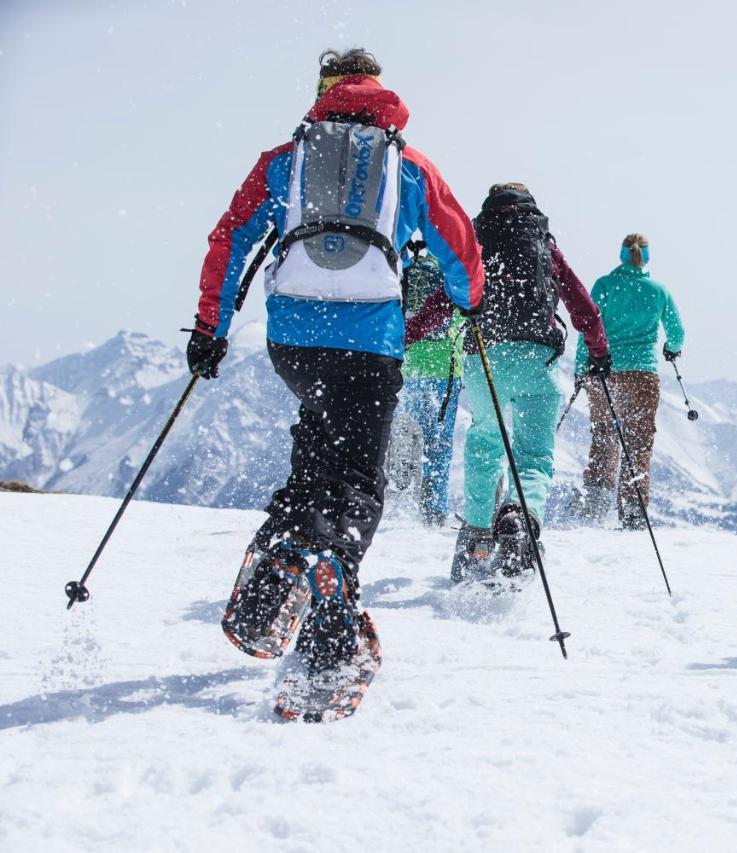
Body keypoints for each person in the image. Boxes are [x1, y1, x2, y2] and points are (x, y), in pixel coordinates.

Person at [190, 48, 483, 686]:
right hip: (373, 339)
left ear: (324, 91)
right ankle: (334, 581)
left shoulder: (286, 160)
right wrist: (471, 305)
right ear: (380, 94)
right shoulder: (406, 164)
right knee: (357, 474)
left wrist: (210, 329)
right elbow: (457, 244)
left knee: (321, 434)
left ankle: (289, 543)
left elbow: (230, 237)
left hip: (295, 340)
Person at [450, 183, 610, 581]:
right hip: (537, 360)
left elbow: (444, 296)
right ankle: (520, 518)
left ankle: (476, 534)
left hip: (485, 357)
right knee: (534, 456)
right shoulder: (545, 248)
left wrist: (407, 332)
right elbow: (582, 305)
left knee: (486, 442)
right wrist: (600, 351)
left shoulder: (477, 246)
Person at [573, 233, 685, 529]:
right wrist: (671, 349)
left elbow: (588, 327)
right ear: (646, 257)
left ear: (621, 255)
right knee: (639, 443)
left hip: (604, 372)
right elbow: (677, 333)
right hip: (644, 375)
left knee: (604, 437)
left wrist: (579, 369)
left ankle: (594, 508)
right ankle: (633, 511)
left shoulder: (605, 285)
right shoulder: (659, 291)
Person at [401, 245, 465, 526]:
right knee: (438, 441)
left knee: (410, 434)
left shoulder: (410, 270)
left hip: (410, 362)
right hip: (445, 367)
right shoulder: (452, 271)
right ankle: (434, 507)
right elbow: (464, 313)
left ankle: (403, 498)